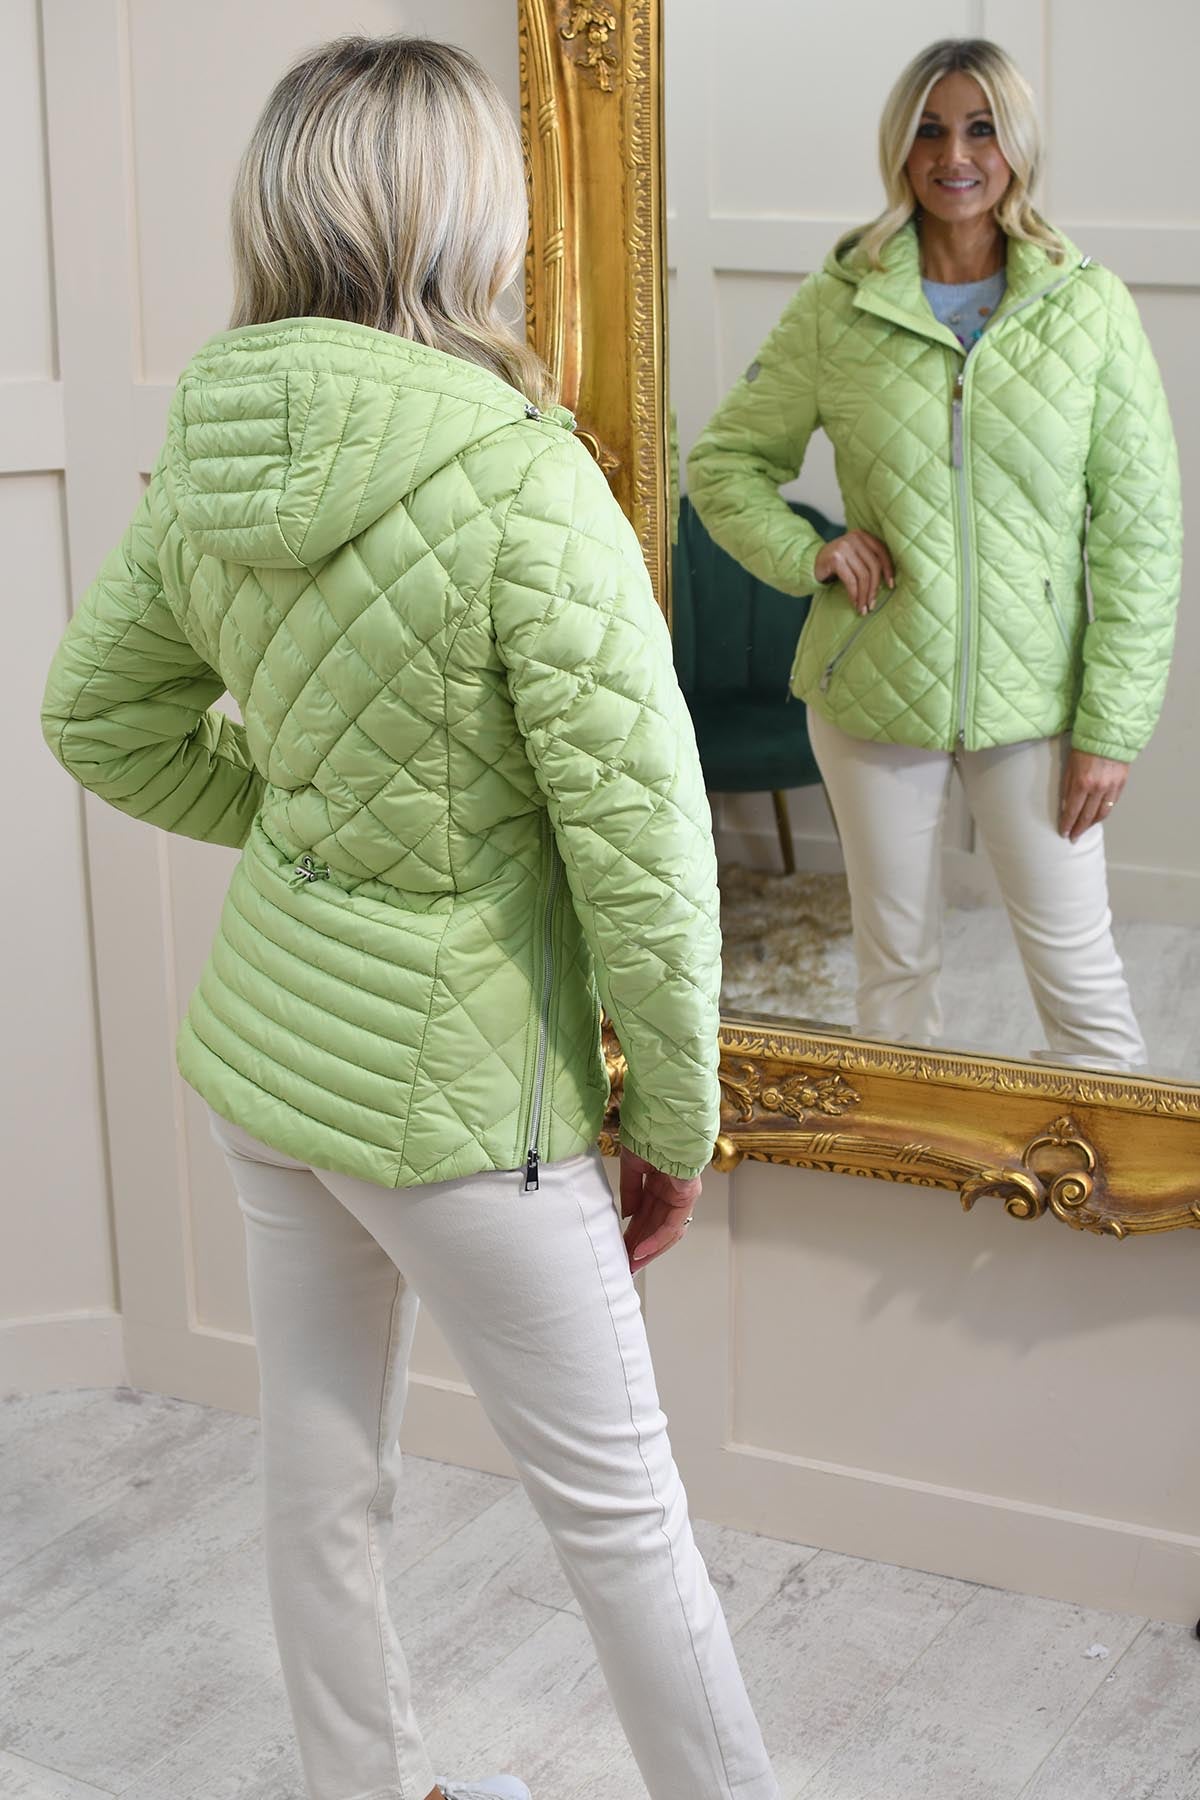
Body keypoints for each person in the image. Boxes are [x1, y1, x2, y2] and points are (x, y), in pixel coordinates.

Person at [40, 35, 778, 1800]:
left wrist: (303, 825)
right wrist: (675, 1124)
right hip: (459, 1104)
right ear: (471, 220)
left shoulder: (211, 449)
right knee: (624, 1519)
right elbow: (649, 855)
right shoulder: (527, 475)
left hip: (276, 1064)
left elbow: (99, 717)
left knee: (320, 1480)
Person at [687, 36, 1182, 1071]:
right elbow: (726, 462)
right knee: (895, 978)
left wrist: (1113, 726)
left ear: (1017, 146)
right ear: (900, 147)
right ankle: (899, 1169)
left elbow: (1141, 533)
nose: (954, 154)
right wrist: (811, 554)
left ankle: (1115, 1177)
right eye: (930, 129)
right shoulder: (842, 302)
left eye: (981, 128)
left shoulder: (1086, 307)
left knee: (1083, 990)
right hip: (873, 685)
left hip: (1036, 703)